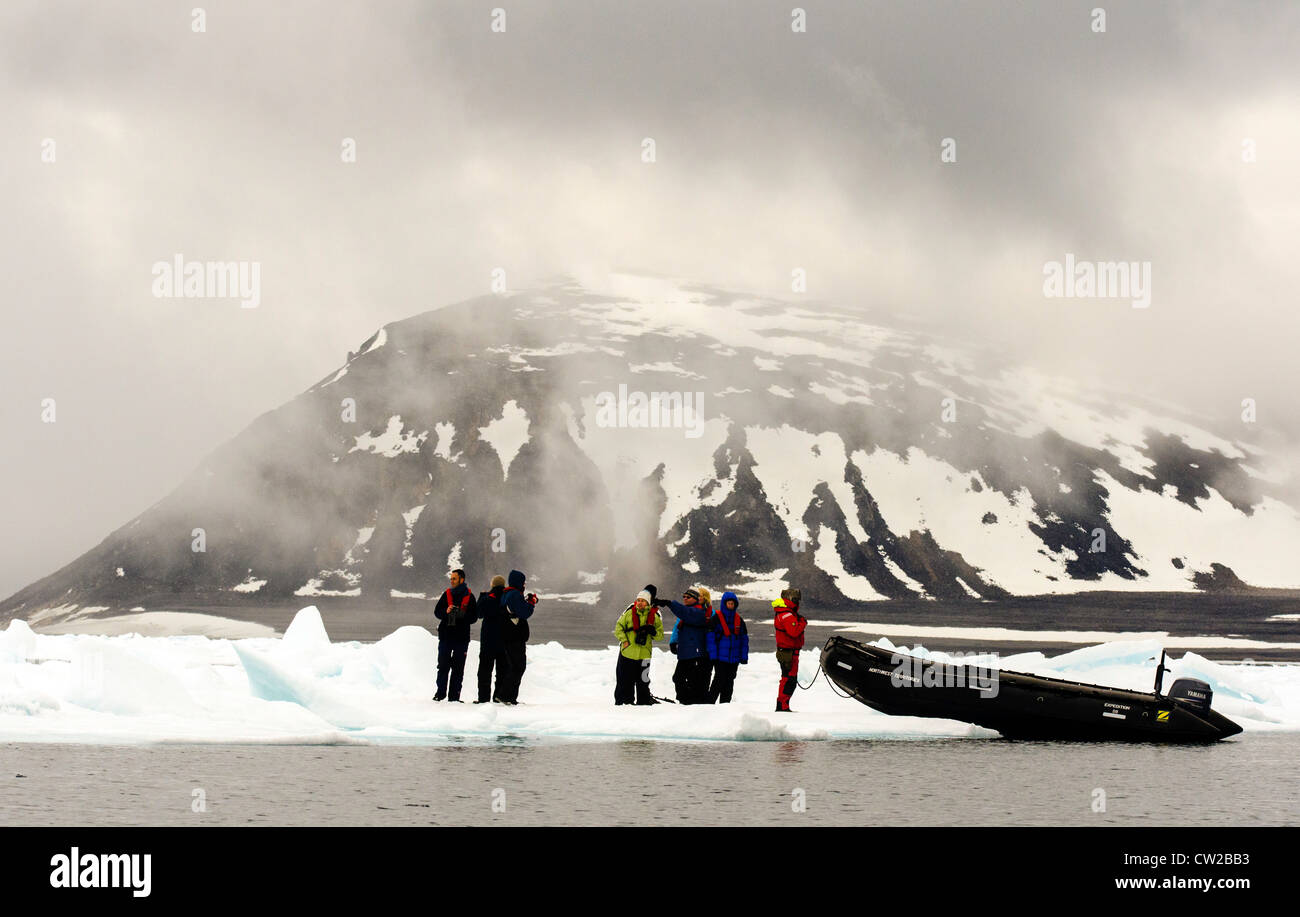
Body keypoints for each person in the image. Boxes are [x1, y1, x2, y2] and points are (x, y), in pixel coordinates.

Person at [654, 587, 712, 704]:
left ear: (695, 599)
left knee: (689, 679)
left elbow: (685, 613)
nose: (685, 599)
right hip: (687, 652)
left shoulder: (698, 612)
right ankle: (685, 701)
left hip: (695, 653)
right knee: (679, 678)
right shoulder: (688, 613)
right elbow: (679, 624)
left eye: (688, 597)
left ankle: (689, 702)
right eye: (684, 597)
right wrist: (674, 642)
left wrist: (669, 603)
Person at [433, 568, 478, 702]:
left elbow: (474, 617)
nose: (451, 581)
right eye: (451, 579)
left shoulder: (470, 597)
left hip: (461, 638)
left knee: (458, 669)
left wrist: (462, 615)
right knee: (442, 666)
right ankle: (440, 694)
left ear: (461, 580)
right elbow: (437, 612)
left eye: (454, 578)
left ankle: (454, 697)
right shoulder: (446, 595)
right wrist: (446, 611)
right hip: (446, 636)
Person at [613, 589, 664, 705]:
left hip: (644, 655)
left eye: (643, 601)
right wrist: (624, 641)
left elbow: (660, 636)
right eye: (638, 600)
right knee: (625, 681)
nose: (640, 603)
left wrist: (653, 632)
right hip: (628, 653)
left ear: (648, 603)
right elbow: (618, 628)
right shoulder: (629, 613)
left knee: (643, 681)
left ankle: (644, 703)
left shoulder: (655, 617)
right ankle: (624, 704)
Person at [497, 569, 537, 704]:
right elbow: (524, 613)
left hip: (508, 636)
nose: (525, 585)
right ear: (519, 582)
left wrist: (526, 601)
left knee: (514, 666)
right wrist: (531, 603)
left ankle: (509, 697)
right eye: (523, 582)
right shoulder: (514, 595)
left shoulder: (507, 594)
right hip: (514, 637)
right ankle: (505, 696)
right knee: (518, 666)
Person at [707, 591, 749, 703]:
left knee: (729, 683)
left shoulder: (739, 620)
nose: (731, 606)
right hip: (720, 658)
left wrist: (743, 656)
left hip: (734, 659)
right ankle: (709, 705)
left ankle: (725, 706)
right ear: (724, 604)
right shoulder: (716, 619)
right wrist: (713, 655)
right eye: (729, 603)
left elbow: (744, 640)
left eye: (732, 604)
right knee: (718, 681)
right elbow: (711, 639)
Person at [474, 575, 509, 704]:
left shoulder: (487, 598)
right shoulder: (507, 597)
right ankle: (498, 697)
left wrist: (481, 597)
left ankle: (483, 698)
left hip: (488, 640)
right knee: (502, 672)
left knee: (484, 671)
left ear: (492, 585)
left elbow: (478, 614)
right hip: (504, 640)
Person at [773, 587, 807, 712]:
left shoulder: (786, 613)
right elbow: (794, 631)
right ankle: (782, 705)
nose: (798, 602)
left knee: (788, 679)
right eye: (796, 599)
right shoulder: (787, 614)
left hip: (789, 652)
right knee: (788, 679)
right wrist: (802, 622)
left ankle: (783, 704)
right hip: (788, 652)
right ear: (790, 599)